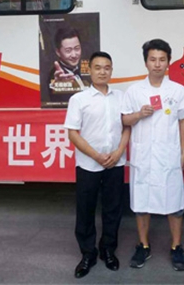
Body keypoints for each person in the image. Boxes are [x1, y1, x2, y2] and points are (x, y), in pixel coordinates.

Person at [121, 39, 184, 271]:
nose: (157, 64)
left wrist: (183, 151)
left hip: (168, 155)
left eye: (162, 59)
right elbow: (124, 120)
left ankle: (176, 246)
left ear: (168, 62)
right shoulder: (134, 91)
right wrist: (138, 114)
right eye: (153, 59)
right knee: (141, 202)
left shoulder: (177, 90)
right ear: (146, 62)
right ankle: (143, 246)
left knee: (174, 202)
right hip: (143, 157)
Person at [64, 51, 131, 278]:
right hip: (88, 164)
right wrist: (95, 155)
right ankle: (87, 254)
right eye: (98, 67)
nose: (103, 72)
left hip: (115, 162)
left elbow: (127, 126)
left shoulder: (121, 97)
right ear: (89, 70)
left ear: (111, 70)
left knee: (113, 209)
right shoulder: (79, 99)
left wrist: (119, 152)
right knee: (86, 210)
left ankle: (108, 250)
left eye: (107, 67)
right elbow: (73, 133)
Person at [48, 26, 90, 103]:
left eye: (77, 48)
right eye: (68, 50)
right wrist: (58, 85)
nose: (74, 55)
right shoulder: (56, 75)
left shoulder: (85, 69)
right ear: (58, 52)